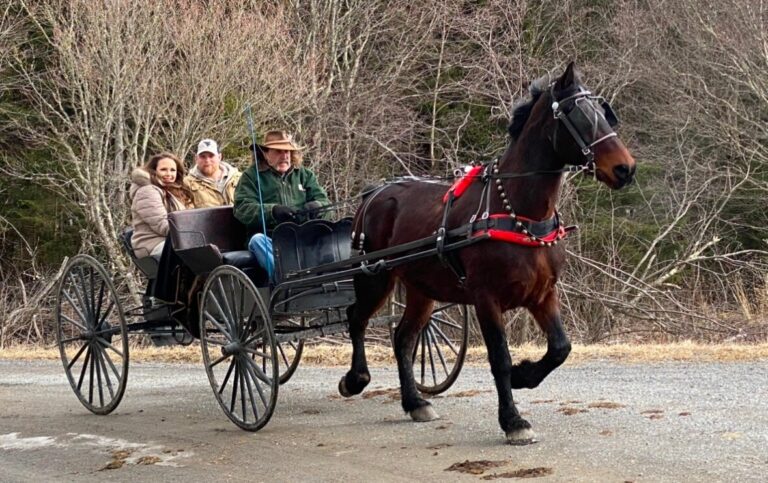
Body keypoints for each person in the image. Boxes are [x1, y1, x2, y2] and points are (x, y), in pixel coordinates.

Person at [234, 130, 331, 279]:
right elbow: (242, 208)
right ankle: (285, 280)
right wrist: (272, 211)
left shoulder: (305, 175)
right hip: (270, 239)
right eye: (279, 151)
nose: (285, 156)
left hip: (302, 236)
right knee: (256, 240)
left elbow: (326, 204)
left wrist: (317, 206)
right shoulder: (251, 177)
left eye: (288, 151)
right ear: (265, 153)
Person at [130, 153, 194, 260]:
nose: (169, 174)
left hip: (175, 240)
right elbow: (162, 224)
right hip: (152, 243)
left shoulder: (176, 191)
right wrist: (192, 233)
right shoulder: (147, 191)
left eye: (172, 170)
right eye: (163, 169)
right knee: (193, 254)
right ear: (153, 171)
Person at [185, 138, 242, 207]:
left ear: (219, 157)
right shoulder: (187, 184)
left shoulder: (240, 178)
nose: (207, 160)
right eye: (203, 156)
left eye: (211, 156)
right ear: (196, 159)